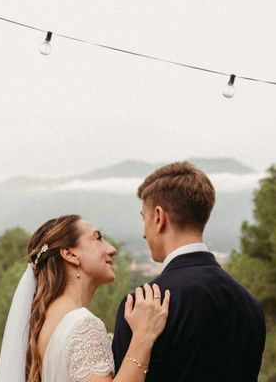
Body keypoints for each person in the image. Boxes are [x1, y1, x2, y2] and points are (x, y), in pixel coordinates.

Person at [112, 161, 266, 381]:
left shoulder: (142, 305)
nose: (144, 234)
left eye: (143, 219)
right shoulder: (250, 304)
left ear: (158, 217)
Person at [0, 214, 171, 382]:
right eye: (98, 238)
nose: (112, 249)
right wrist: (143, 336)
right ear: (70, 254)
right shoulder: (83, 325)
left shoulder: (42, 323)